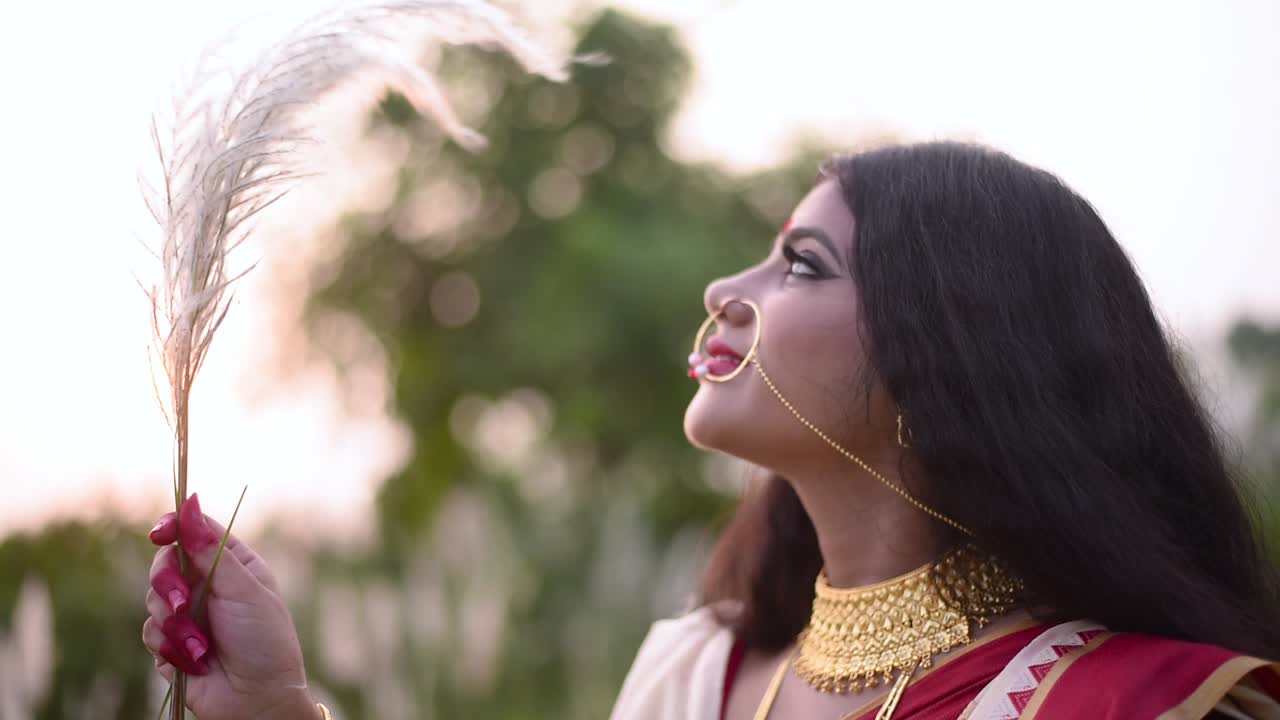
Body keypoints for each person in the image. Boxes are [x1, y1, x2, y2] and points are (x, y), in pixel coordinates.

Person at [143, 141, 1280, 719]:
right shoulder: (696, 678)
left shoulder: (1127, 705)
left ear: (947, 366)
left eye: (798, 264)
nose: (722, 290)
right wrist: (279, 707)